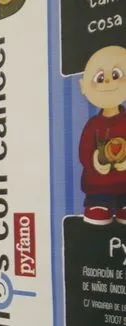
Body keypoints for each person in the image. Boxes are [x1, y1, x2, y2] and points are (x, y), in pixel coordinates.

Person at [76, 45, 126, 224]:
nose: (107, 82)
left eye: (116, 75)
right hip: (97, 186)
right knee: (97, 200)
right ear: (83, 86)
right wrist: (96, 160)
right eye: (99, 78)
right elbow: (84, 152)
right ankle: (98, 205)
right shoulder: (92, 124)